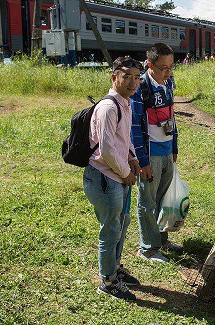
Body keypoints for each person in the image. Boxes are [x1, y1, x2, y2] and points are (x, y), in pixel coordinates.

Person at [84, 56, 142, 301]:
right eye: (127, 76)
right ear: (114, 76)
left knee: (123, 222)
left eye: (137, 77)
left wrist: (133, 157)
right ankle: (107, 281)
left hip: (118, 175)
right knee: (110, 229)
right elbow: (107, 149)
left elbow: (123, 138)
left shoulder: (125, 102)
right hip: (105, 177)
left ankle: (115, 268)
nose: (132, 82)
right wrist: (126, 173)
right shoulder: (109, 107)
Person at [131, 43, 182, 264]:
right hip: (150, 155)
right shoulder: (140, 87)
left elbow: (172, 116)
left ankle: (161, 240)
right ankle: (148, 248)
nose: (168, 72)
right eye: (163, 68)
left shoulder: (168, 83)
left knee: (163, 199)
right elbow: (134, 128)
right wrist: (142, 161)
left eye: (171, 67)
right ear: (149, 65)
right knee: (147, 202)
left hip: (166, 150)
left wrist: (174, 147)